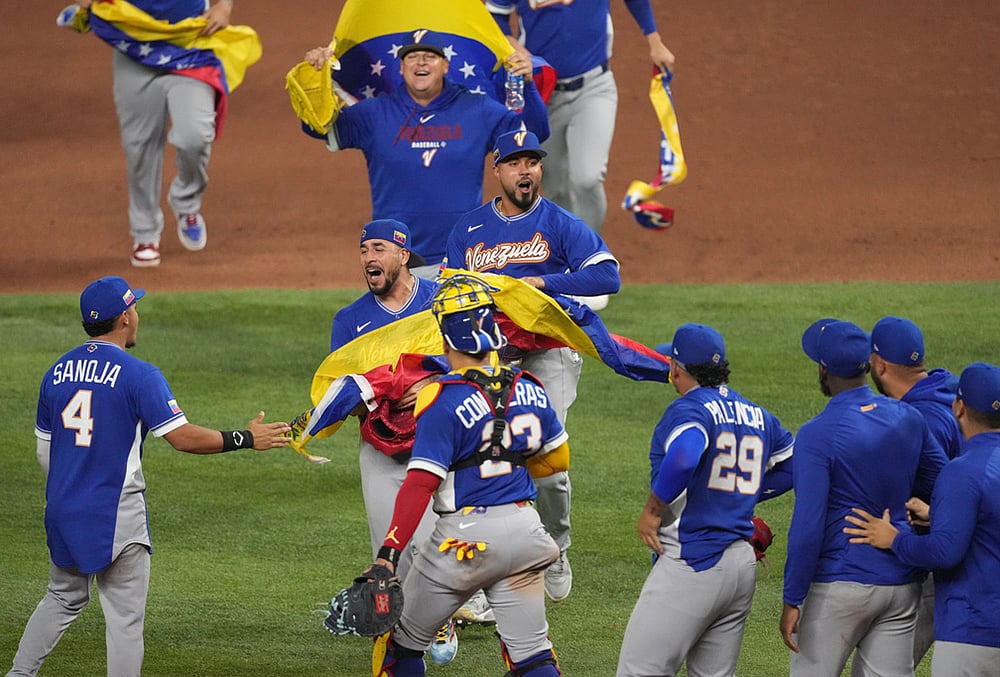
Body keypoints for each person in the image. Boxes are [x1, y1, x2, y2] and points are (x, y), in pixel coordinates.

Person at [5, 275, 291, 677]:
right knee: (124, 620)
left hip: (64, 510)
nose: (136, 315)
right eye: (133, 308)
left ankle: (19, 674)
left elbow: (44, 450)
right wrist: (245, 438)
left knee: (62, 597)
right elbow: (183, 438)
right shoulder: (138, 374)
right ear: (124, 318)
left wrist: (68, 493)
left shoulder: (56, 372)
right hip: (117, 516)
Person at [445, 129, 622, 606]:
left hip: (548, 350)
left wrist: (543, 281)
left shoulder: (560, 222)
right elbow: (451, 292)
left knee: (547, 462)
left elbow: (609, 274)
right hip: (492, 352)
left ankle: (556, 546)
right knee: (478, 455)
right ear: (497, 170)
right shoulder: (469, 230)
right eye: (516, 163)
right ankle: (477, 558)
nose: (526, 171)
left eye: (534, 163)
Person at [368, 274, 567, 677]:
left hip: (465, 540)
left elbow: (421, 484)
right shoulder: (529, 385)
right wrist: (504, 458)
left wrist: (388, 556)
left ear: (445, 337)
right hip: (527, 532)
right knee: (532, 657)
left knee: (397, 649)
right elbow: (557, 461)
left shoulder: (441, 396)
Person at [616, 323, 794, 677]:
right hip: (740, 568)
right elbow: (794, 465)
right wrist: (741, 492)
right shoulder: (757, 414)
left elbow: (684, 456)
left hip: (692, 563)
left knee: (640, 671)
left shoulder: (689, 410)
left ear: (676, 368)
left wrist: (652, 511)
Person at [302, 29, 550, 275]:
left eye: (430, 56)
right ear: (401, 67)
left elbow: (534, 135)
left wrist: (527, 87)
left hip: (462, 255)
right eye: (412, 56)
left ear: (445, 65)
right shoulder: (375, 114)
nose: (420, 61)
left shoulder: (477, 110)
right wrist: (314, 78)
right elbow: (319, 128)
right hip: (396, 258)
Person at [780, 318, 947, 677]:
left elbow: (808, 526)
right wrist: (922, 512)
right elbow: (942, 480)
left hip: (838, 588)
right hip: (901, 586)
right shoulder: (909, 417)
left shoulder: (817, 434)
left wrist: (793, 597)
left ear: (824, 370)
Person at [327, 220, 459, 665]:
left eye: (378, 249)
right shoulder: (349, 321)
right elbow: (341, 395)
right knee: (393, 551)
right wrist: (386, 394)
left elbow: (468, 360)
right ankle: (404, 643)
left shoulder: (440, 301)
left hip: (447, 440)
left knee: (456, 538)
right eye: (363, 250)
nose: (368, 258)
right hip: (383, 450)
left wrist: (428, 383)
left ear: (404, 255)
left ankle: (445, 610)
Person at [844, 361, 1000, 677]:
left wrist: (894, 539)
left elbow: (945, 552)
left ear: (959, 407)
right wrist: (942, 515)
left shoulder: (962, 471)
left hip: (974, 632)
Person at [73, 0, 242, 267]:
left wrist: (224, 5)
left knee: (194, 135)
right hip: (133, 46)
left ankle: (186, 201)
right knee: (139, 146)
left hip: (191, 43)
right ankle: (145, 233)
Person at [487, 0, 674, 232]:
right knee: (554, 185)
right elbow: (495, 15)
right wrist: (514, 46)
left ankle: (590, 254)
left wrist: (654, 41)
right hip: (542, 95)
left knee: (587, 179)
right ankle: (567, 247)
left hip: (594, 87)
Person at [869, 315, 963, 666]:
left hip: (950, 567)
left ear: (879, 366)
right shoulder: (951, 389)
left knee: (888, 668)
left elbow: (945, 488)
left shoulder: (917, 420)